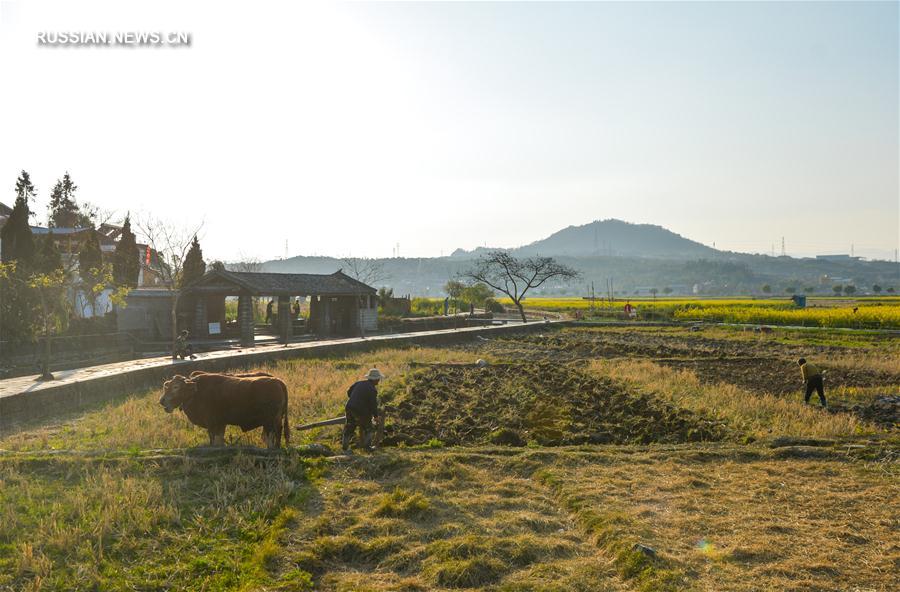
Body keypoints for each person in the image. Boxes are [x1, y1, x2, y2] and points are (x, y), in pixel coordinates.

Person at [342, 368, 384, 451]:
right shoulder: (372, 389)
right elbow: (373, 404)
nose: (379, 380)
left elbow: (349, 392)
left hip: (349, 407)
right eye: (378, 379)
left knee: (349, 427)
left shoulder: (359, 383)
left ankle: (344, 448)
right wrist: (375, 416)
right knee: (369, 429)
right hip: (361, 410)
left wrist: (355, 399)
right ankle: (367, 447)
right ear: (375, 379)